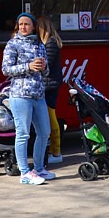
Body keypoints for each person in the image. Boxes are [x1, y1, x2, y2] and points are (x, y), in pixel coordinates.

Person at [1, 12, 54, 185]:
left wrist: (44, 67)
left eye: (27, 24)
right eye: (20, 24)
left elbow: (46, 72)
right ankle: (24, 172)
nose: (23, 27)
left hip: (38, 95)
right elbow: (6, 69)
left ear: (33, 27)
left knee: (44, 132)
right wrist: (28, 66)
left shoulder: (40, 44)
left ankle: (39, 169)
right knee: (23, 134)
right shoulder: (12, 44)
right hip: (20, 95)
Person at [36, 16, 64, 164]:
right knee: (49, 116)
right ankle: (53, 149)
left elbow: (46, 64)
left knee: (50, 117)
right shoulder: (49, 42)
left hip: (49, 85)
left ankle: (56, 150)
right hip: (49, 84)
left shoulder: (51, 43)